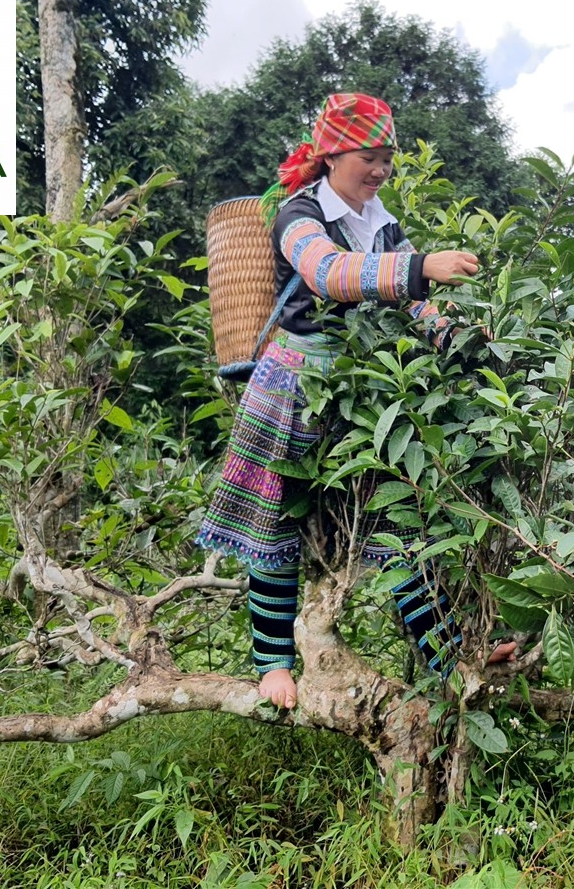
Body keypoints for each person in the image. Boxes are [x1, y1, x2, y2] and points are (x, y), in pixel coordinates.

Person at [197, 92, 513, 710]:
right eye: (369, 157)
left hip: (361, 390)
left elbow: (411, 303)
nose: (379, 170)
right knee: (274, 526)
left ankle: (451, 656)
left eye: (387, 159)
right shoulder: (299, 215)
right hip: (292, 388)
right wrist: (422, 266)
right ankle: (271, 665)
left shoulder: (381, 220)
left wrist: (458, 334)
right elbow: (328, 275)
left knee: (400, 525)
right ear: (333, 154)